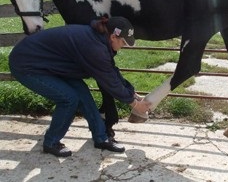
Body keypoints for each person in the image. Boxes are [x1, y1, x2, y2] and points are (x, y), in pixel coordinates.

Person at [9, 16, 151, 157]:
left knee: (83, 94)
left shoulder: (100, 39)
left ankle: (101, 138)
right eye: (124, 42)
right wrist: (134, 104)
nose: (124, 46)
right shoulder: (95, 47)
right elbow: (110, 81)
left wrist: (131, 93)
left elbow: (111, 70)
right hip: (27, 65)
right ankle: (51, 142)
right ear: (113, 37)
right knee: (68, 99)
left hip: (52, 64)